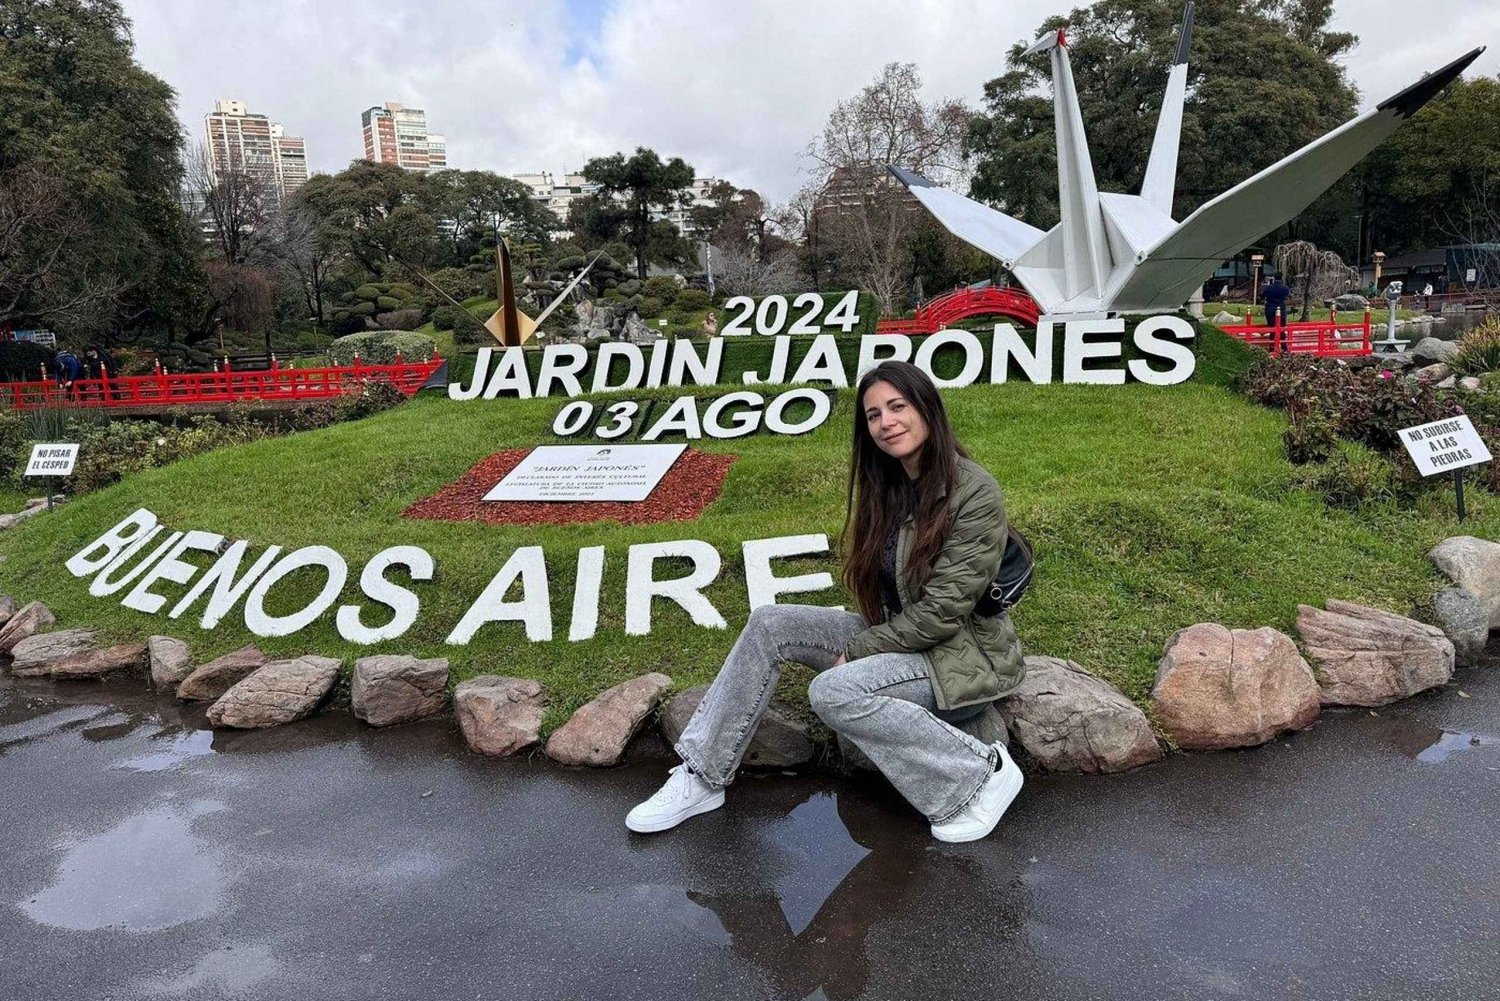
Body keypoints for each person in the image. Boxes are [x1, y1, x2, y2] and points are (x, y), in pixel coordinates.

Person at [627, 360, 1026, 843]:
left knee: (834, 691)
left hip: (959, 655)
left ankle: (977, 776)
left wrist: (858, 652)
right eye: (874, 415)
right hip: (907, 640)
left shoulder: (974, 491)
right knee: (771, 623)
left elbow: (943, 612)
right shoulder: (893, 486)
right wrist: (868, 641)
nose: (886, 423)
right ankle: (702, 776)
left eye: (897, 407)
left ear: (928, 409)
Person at [1263, 272, 1292, 352]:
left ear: (1274, 278)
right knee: (1282, 329)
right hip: (1281, 309)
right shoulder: (1285, 288)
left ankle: (1272, 348)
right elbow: (1288, 296)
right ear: (1281, 278)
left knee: (1272, 330)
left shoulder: (1268, 288)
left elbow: (1262, 296)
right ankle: (1284, 348)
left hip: (1270, 309)